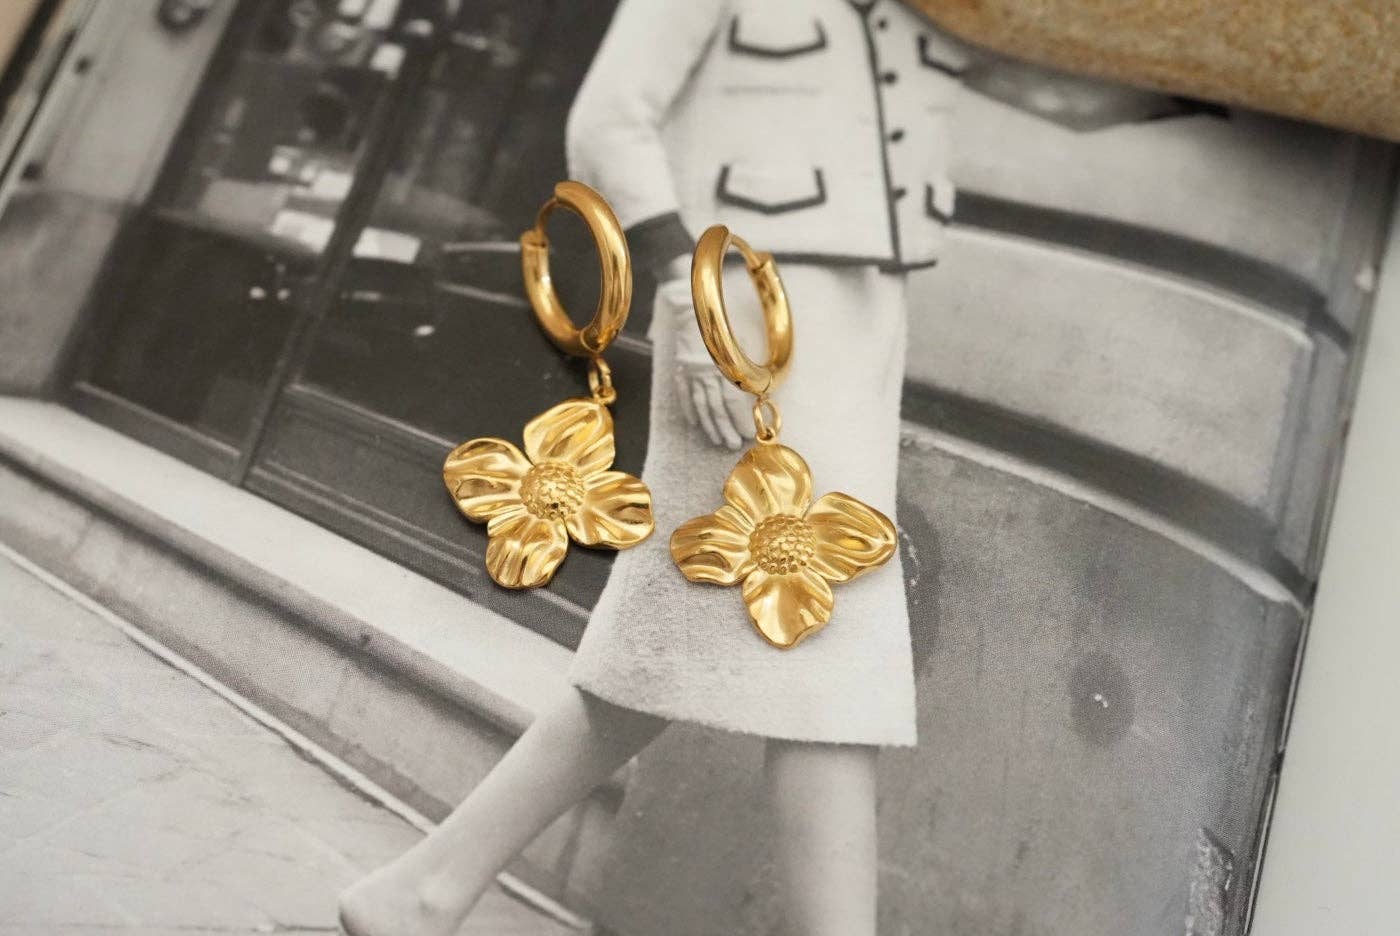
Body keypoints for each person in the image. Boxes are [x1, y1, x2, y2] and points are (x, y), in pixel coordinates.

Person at [339, 2, 1177, 933]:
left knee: (675, 642)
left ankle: (423, 891)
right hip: (745, 314)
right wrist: (691, 299)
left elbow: (1052, 88)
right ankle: (421, 893)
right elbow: (607, 120)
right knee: (828, 647)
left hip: (865, 319)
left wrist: (1213, 61)